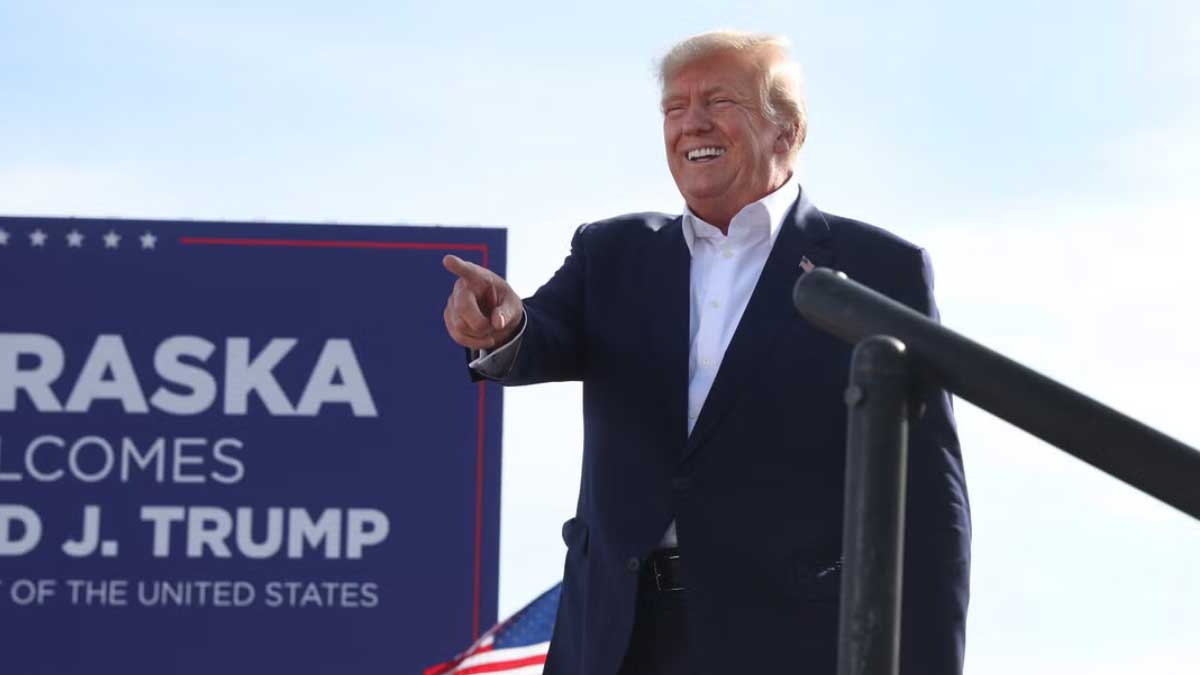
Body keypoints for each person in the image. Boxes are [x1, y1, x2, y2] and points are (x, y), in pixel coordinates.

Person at [442, 30, 970, 675]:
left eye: (719, 101)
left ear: (787, 130)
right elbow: (539, 333)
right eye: (673, 107)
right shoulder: (612, 253)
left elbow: (931, 498)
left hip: (788, 640)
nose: (690, 122)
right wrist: (501, 325)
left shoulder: (877, 269)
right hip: (616, 638)